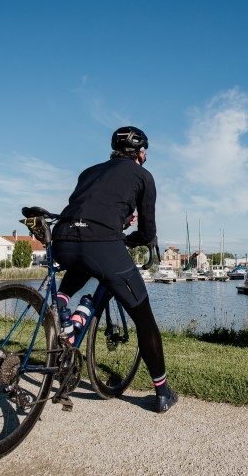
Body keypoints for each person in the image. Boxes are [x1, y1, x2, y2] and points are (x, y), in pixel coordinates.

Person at [51, 126, 178, 413]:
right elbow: (146, 234)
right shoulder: (144, 176)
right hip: (103, 246)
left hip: (63, 239)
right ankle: (162, 393)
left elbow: (91, 211)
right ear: (141, 153)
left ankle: (62, 309)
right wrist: (129, 237)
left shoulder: (88, 171)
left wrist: (116, 224)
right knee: (145, 320)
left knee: (84, 256)